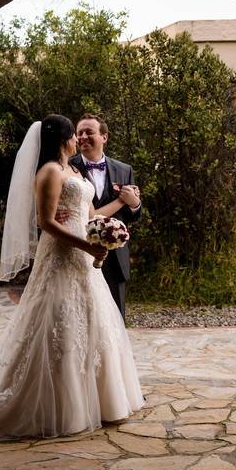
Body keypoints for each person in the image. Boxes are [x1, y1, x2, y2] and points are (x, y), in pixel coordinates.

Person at [0, 115, 144, 437]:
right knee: (57, 324)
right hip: (62, 257)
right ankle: (59, 406)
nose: (78, 140)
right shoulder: (49, 171)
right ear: (62, 139)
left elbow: (90, 214)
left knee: (94, 324)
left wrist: (114, 218)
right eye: (74, 135)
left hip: (83, 260)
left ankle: (100, 399)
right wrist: (87, 246)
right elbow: (47, 222)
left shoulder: (73, 171)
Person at [68, 114, 142, 320]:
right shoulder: (67, 168)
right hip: (79, 251)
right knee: (81, 318)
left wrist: (134, 203)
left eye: (89, 132)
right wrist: (121, 201)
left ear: (104, 137)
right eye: (79, 132)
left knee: (115, 320)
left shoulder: (124, 169)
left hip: (115, 255)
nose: (83, 136)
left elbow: (133, 215)